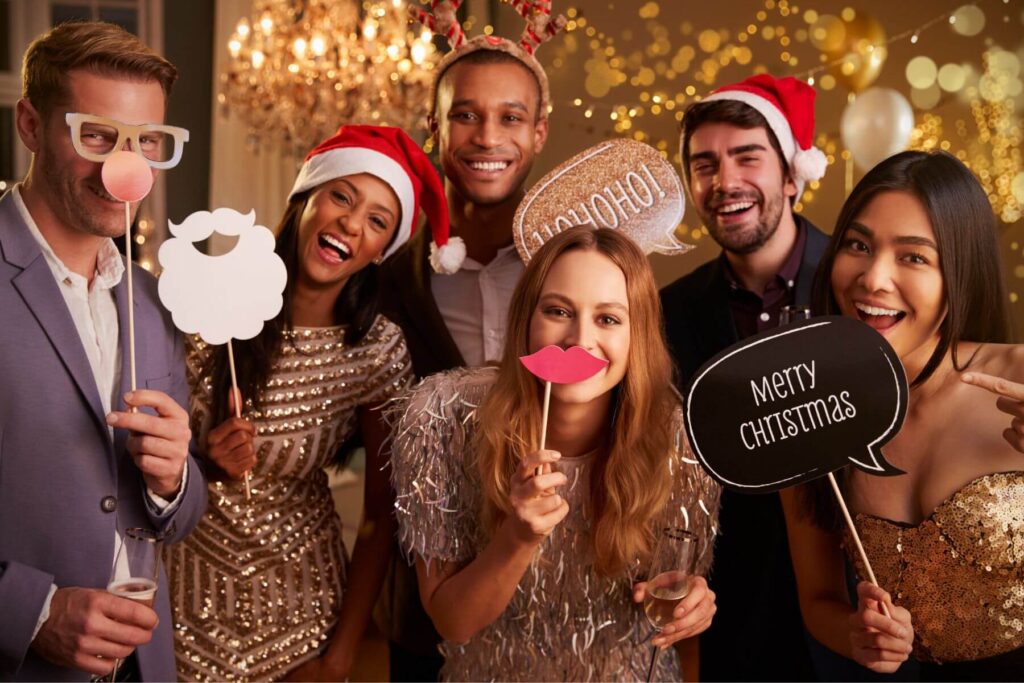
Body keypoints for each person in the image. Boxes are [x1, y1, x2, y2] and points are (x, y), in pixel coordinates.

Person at [164, 125, 451, 681]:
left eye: (377, 220)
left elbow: (378, 518)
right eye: (342, 197)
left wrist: (341, 654)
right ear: (305, 200)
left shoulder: (377, 350)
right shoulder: (207, 309)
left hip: (303, 614)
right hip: (183, 601)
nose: (351, 223)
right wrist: (205, 467)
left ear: (379, 251)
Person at [389, 226, 721, 680]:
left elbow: (666, 595)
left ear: (636, 335)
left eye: (608, 318)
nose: (578, 340)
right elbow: (453, 622)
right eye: (559, 311)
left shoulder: (677, 441)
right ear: (526, 318)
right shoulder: (443, 418)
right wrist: (517, 537)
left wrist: (691, 605)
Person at [0, 21, 207, 681]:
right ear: (31, 126)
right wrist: (30, 612)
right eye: (97, 136)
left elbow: (174, 517)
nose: (127, 168)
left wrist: (174, 479)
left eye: (147, 141)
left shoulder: (151, 300)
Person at [782, 150, 1024, 681]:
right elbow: (819, 598)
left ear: (957, 271)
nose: (873, 278)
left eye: (913, 257)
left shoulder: (1020, 377)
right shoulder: (809, 418)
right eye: (858, 245)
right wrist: (858, 636)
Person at [376, 32, 556, 679]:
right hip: (431, 590)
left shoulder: (573, 270)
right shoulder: (393, 271)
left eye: (510, 117)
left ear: (539, 131)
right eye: (465, 114)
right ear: (435, 127)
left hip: (559, 589)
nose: (487, 137)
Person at [659, 74, 843, 681]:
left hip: (865, 600)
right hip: (739, 617)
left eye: (747, 157)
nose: (725, 181)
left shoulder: (860, 286)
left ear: (792, 174)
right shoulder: (667, 312)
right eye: (704, 164)